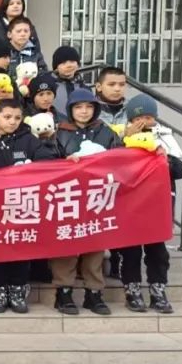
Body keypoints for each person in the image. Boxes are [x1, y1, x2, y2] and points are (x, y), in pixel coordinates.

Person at [0, 99, 58, 314]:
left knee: (21, 248)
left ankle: (18, 290)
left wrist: (41, 155)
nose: (12, 122)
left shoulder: (29, 140)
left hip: (22, 204)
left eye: (17, 118)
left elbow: (49, 161)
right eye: (7, 117)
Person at [113, 95, 182, 314]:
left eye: (148, 117)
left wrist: (165, 159)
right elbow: (111, 163)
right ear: (130, 119)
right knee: (130, 249)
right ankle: (132, 290)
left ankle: (158, 290)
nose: (144, 122)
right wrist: (125, 140)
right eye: (138, 118)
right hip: (130, 202)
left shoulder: (165, 136)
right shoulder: (120, 135)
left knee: (157, 250)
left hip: (157, 203)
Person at [51, 88, 120, 316]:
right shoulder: (59, 132)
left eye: (89, 107)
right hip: (67, 197)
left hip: (97, 197)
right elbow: (47, 160)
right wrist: (65, 162)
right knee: (66, 244)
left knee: (95, 245)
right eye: (79, 107)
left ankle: (94, 293)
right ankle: (63, 293)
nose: (84, 111)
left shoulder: (106, 132)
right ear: (70, 109)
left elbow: (121, 158)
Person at [51, 45, 85, 115]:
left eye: (72, 61)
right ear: (56, 68)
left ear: (78, 65)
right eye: (63, 63)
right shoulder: (49, 86)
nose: (69, 65)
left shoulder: (84, 88)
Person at [95, 66, 129, 131]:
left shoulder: (134, 108)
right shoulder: (88, 109)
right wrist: (125, 133)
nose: (117, 89)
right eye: (111, 84)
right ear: (99, 87)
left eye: (122, 84)